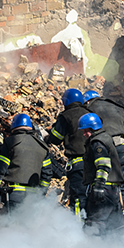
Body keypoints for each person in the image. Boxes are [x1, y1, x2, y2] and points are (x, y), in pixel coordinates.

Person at [0, 114, 53, 213]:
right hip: (33, 196)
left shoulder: (10, 143)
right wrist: (41, 194)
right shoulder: (42, 146)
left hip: (14, 194)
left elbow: (0, 169)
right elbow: (47, 174)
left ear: (14, 126)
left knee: (13, 225)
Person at [79, 113, 124, 234]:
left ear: (93, 128)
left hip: (104, 188)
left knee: (94, 225)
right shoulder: (105, 137)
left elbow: (103, 164)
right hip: (113, 189)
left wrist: (99, 186)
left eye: (86, 131)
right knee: (115, 227)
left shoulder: (97, 142)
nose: (84, 134)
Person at [47, 88, 89, 218]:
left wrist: (46, 137)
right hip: (94, 162)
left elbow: (56, 137)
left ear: (66, 101)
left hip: (77, 165)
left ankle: (78, 230)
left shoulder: (66, 116)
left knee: (77, 198)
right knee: (91, 197)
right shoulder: (90, 113)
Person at [83, 90, 124, 178]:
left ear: (87, 101)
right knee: (123, 186)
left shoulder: (88, 110)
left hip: (104, 151)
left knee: (106, 186)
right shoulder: (118, 108)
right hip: (123, 150)